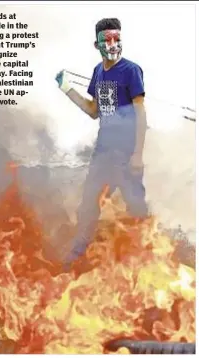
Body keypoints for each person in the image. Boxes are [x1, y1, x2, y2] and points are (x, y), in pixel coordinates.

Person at [55, 18, 148, 266]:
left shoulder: (131, 71)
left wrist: (137, 154)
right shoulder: (98, 71)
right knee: (89, 203)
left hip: (126, 152)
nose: (113, 44)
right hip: (103, 150)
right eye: (107, 40)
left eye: (117, 39)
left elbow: (141, 112)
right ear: (96, 45)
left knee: (136, 207)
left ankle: (145, 257)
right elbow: (93, 110)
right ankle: (78, 253)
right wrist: (67, 90)